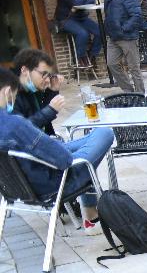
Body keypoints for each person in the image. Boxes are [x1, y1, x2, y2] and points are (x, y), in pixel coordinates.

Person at [0, 68, 113, 235]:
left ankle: (91, 214)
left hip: (16, 188)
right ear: (8, 92)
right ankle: (91, 212)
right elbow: (65, 160)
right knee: (104, 134)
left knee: (80, 144)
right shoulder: (14, 124)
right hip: (53, 185)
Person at [103, 0, 144, 93]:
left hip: (127, 36)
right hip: (113, 36)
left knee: (134, 67)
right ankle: (128, 91)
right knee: (112, 64)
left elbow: (136, 15)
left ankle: (140, 94)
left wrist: (124, 28)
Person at [11, 49, 65, 136]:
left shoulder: (33, 89)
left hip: (46, 143)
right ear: (25, 70)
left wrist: (52, 91)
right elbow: (20, 132)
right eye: (44, 74)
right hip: (31, 148)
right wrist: (49, 111)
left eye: (49, 75)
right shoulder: (10, 96)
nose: (48, 80)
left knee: (95, 136)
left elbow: (43, 121)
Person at [54, 0, 102, 65]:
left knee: (100, 31)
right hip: (66, 19)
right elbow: (74, 3)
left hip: (80, 17)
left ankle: (92, 54)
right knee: (83, 34)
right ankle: (80, 57)